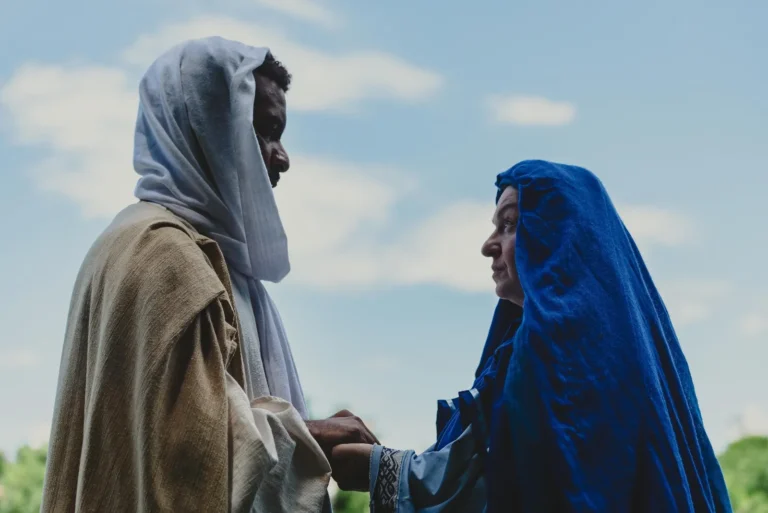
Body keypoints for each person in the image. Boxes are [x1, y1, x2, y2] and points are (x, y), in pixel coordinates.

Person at [41, 37, 377, 513]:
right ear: (207, 128)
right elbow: (183, 460)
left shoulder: (174, 248)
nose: (281, 157)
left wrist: (307, 434)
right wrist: (312, 436)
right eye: (265, 132)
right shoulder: (161, 252)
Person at [331, 160, 732, 512]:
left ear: (560, 239)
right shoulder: (587, 354)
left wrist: (380, 470)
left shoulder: (561, 358)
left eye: (509, 225)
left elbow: (520, 484)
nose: (488, 246)